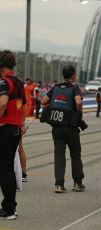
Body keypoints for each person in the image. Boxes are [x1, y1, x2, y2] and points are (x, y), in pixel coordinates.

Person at [41, 65, 85, 193]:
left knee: (59, 156)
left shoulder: (55, 87)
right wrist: (79, 114)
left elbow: (44, 101)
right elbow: (78, 102)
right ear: (73, 75)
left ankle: (59, 185)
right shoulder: (74, 88)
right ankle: (77, 183)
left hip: (57, 127)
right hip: (71, 127)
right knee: (75, 154)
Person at [0, 50, 26, 220]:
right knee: (7, 168)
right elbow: (23, 106)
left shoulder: (4, 82)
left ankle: (9, 209)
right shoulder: (18, 82)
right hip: (16, 129)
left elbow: (2, 103)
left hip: (5, 128)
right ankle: (9, 206)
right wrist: (22, 124)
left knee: (4, 169)